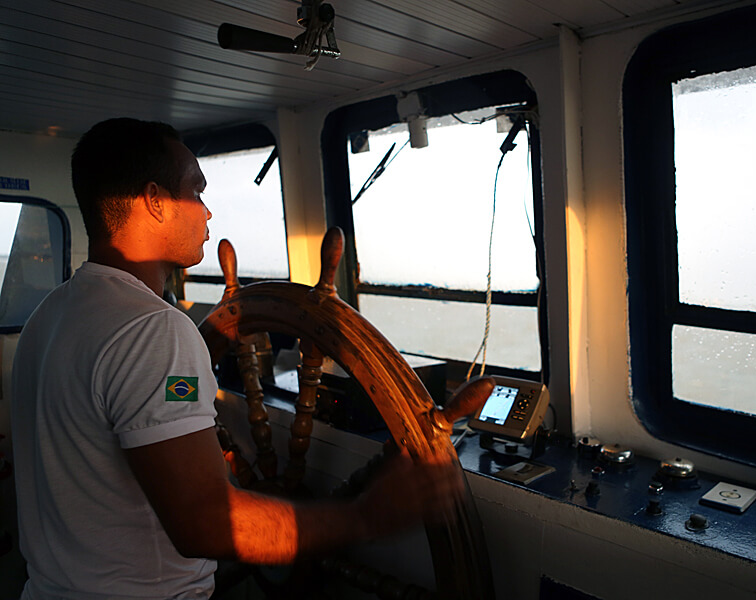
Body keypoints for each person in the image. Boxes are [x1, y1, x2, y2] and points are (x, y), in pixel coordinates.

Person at [10, 118, 488, 599]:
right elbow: (206, 523)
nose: (207, 213)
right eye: (196, 192)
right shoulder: (155, 332)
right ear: (154, 201)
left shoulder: (48, 317)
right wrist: (368, 514)